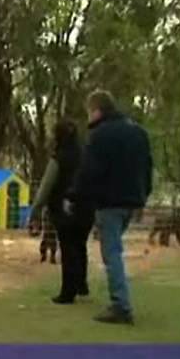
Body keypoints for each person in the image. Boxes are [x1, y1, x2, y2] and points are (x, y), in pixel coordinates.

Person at [66, 90, 153, 325]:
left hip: (109, 202)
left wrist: (73, 196)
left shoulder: (100, 135)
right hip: (131, 200)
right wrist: (143, 197)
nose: (88, 118)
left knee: (111, 252)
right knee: (114, 249)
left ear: (97, 110)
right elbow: (147, 168)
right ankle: (120, 302)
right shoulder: (138, 132)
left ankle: (121, 306)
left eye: (89, 112)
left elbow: (89, 171)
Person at [29, 118, 94, 305]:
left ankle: (68, 292)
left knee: (68, 248)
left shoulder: (59, 157)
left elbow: (46, 186)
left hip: (64, 208)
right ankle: (81, 285)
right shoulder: (86, 155)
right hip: (86, 207)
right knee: (80, 245)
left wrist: (36, 209)